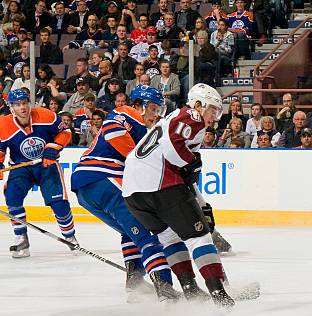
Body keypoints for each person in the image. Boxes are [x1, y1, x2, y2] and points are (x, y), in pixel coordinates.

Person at [71, 85, 194, 302]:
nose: (156, 115)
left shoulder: (142, 129)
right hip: (105, 177)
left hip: (88, 188)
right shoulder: (128, 112)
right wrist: (135, 157)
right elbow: (113, 132)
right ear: (139, 105)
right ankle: (165, 290)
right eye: (153, 109)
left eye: (159, 110)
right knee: (151, 233)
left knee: (131, 232)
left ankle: (135, 281)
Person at [121, 83, 235, 307]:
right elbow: (173, 148)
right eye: (213, 110)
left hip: (133, 193)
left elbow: (183, 169)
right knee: (198, 238)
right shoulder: (192, 114)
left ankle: (190, 289)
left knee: (170, 238)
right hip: (160, 185)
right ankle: (220, 295)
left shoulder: (169, 119)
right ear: (199, 104)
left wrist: (200, 201)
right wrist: (192, 162)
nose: (214, 117)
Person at [0, 89, 78, 258]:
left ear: (29, 103)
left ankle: (70, 237)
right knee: (12, 197)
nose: (22, 108)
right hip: (20, 168)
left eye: (24, 103)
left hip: (46, 165)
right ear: (11, 107)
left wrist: (53, 148)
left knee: (59, 204)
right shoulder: (3, 125)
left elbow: (65, 133)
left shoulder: (45, 115)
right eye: (17, 104)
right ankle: (21, 238)